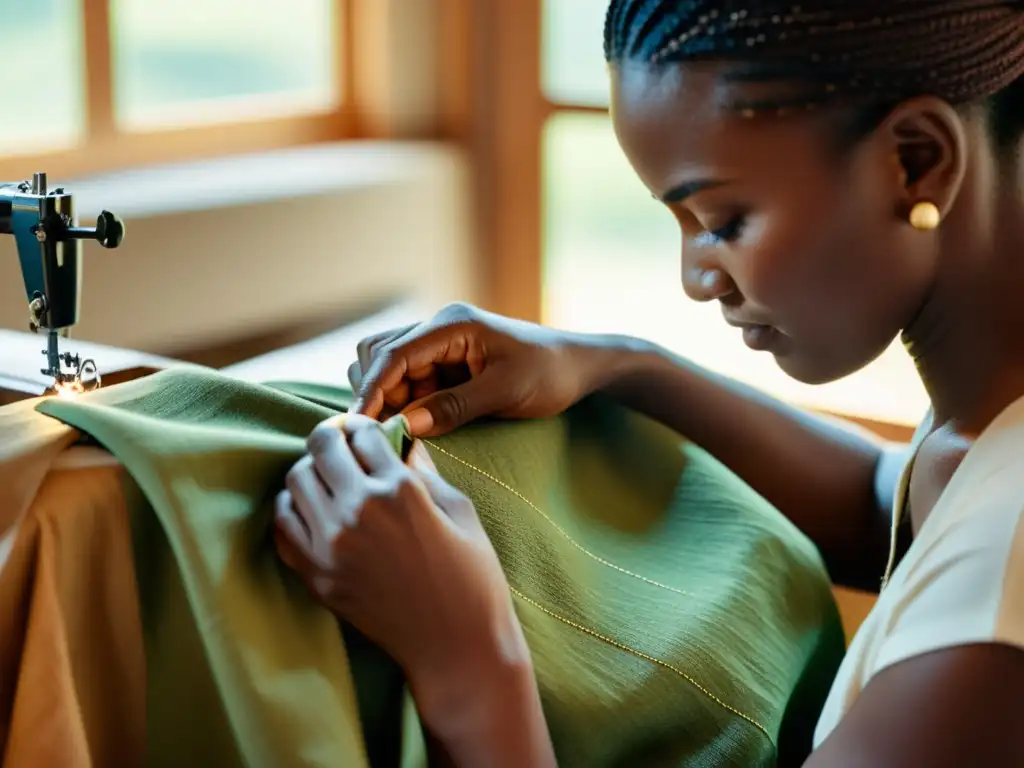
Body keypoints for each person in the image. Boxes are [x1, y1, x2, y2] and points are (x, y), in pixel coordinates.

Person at [274, 1, 1024, 765]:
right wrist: (617, 364)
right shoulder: (990, 428)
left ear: (917, 160)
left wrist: (472, 661)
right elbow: (890, 504)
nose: (697, 278)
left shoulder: (995, 628)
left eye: (724, 220)